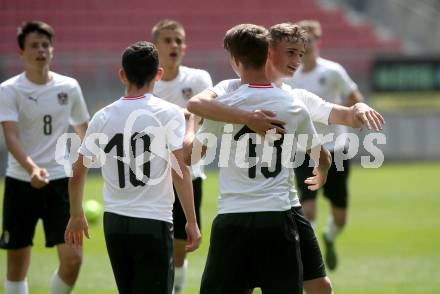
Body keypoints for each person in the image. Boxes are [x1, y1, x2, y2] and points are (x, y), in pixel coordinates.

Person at [187, 22, 383, 294]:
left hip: (279, 206)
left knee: (319, 286)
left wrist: (358, 106)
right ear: (268, 51)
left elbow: (343, 115)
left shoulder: (292, 97)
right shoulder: (241, 92)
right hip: (275, 211)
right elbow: (322, 153)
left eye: (300, 54)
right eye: (291, 52)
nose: (297, 61)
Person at [64, 41, 201, 294]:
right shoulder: (168, 113)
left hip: (115, 222)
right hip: (153, 221)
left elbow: (77, 171)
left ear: (122, 74)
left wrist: (75, 214)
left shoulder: (102, 116)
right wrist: (191, 221)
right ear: (158, 74)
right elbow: (180, 170)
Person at [0, 21, 89, 294]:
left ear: (52, 50)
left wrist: (89, 158)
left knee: (73, 260)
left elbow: (84, 128)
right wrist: (32, 169)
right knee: (16, 265)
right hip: (20, 182)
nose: (40, 50)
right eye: (34, 45)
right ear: (22, 53)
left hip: (61, 182)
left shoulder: (69, 87)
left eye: (45, 45)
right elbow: (11, 137)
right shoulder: (9, 89)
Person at [284, 20, 366, 271]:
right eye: (302, 41)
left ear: (319, 41)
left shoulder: (332, 71)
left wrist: (359, 112)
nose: (307, 45)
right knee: (307, 210)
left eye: (311, 39)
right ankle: (310, 257)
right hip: (303, 150)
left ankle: (329, 236)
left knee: (340, 217)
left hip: (336, 148)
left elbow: (353, 96)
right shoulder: (291, 75)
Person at [151, 19, 213, 294]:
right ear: (155, 46)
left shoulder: (198, 79)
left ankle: (176, 288)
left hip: (189, 171)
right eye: (167, 40)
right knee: (154, 242)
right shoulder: (147, 82)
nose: (174, 45)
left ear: (185, 46)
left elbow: (208, 116)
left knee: (180, 242)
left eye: (178, 40)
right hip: (153, 173)